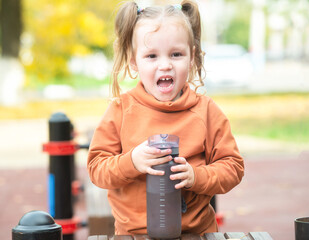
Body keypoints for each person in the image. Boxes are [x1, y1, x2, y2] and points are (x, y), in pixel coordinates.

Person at [87, 0, 244, 236]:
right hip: (133, 234)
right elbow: (97, 168)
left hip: (197, 233)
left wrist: (196, 176)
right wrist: (132, 162)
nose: (165, 65)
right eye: (151, 56)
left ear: (192, 57)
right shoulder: (121, 110)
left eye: (176, 54)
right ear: (133, 61)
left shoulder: (206, 111)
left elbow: (233, 167)